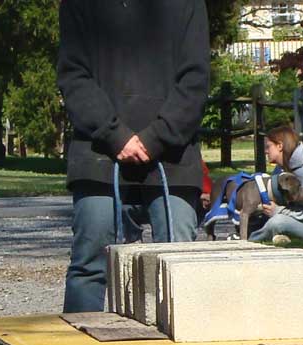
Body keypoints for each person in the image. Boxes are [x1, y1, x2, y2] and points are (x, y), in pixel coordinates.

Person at [56, 0, 210, 313]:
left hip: (173, 157)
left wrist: (156, 137)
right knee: (89, 267)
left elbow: (195, 80)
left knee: (180, 268)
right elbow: (74, 76)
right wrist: (116, 135)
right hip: (99, 155)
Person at [248, 125, 303, 244]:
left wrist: (277, 211)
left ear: (280, 146)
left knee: (278, 222)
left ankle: (250, 241)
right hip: (297, 222)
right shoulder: (281, 171)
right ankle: (276, 238)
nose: (266, 151)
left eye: (268, 146)